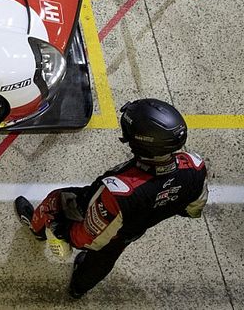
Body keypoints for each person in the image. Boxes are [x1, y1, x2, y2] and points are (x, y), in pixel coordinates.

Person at [14, 98, 208, 298]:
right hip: (131, 231)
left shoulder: (120, 192)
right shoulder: (195, 167)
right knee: (103, 260)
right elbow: (194, 208)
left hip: (102, 217)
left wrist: (62, 231)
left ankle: (37, 230)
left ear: (140, 143)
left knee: (56, 200)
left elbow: (88, 238)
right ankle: (77, 290)